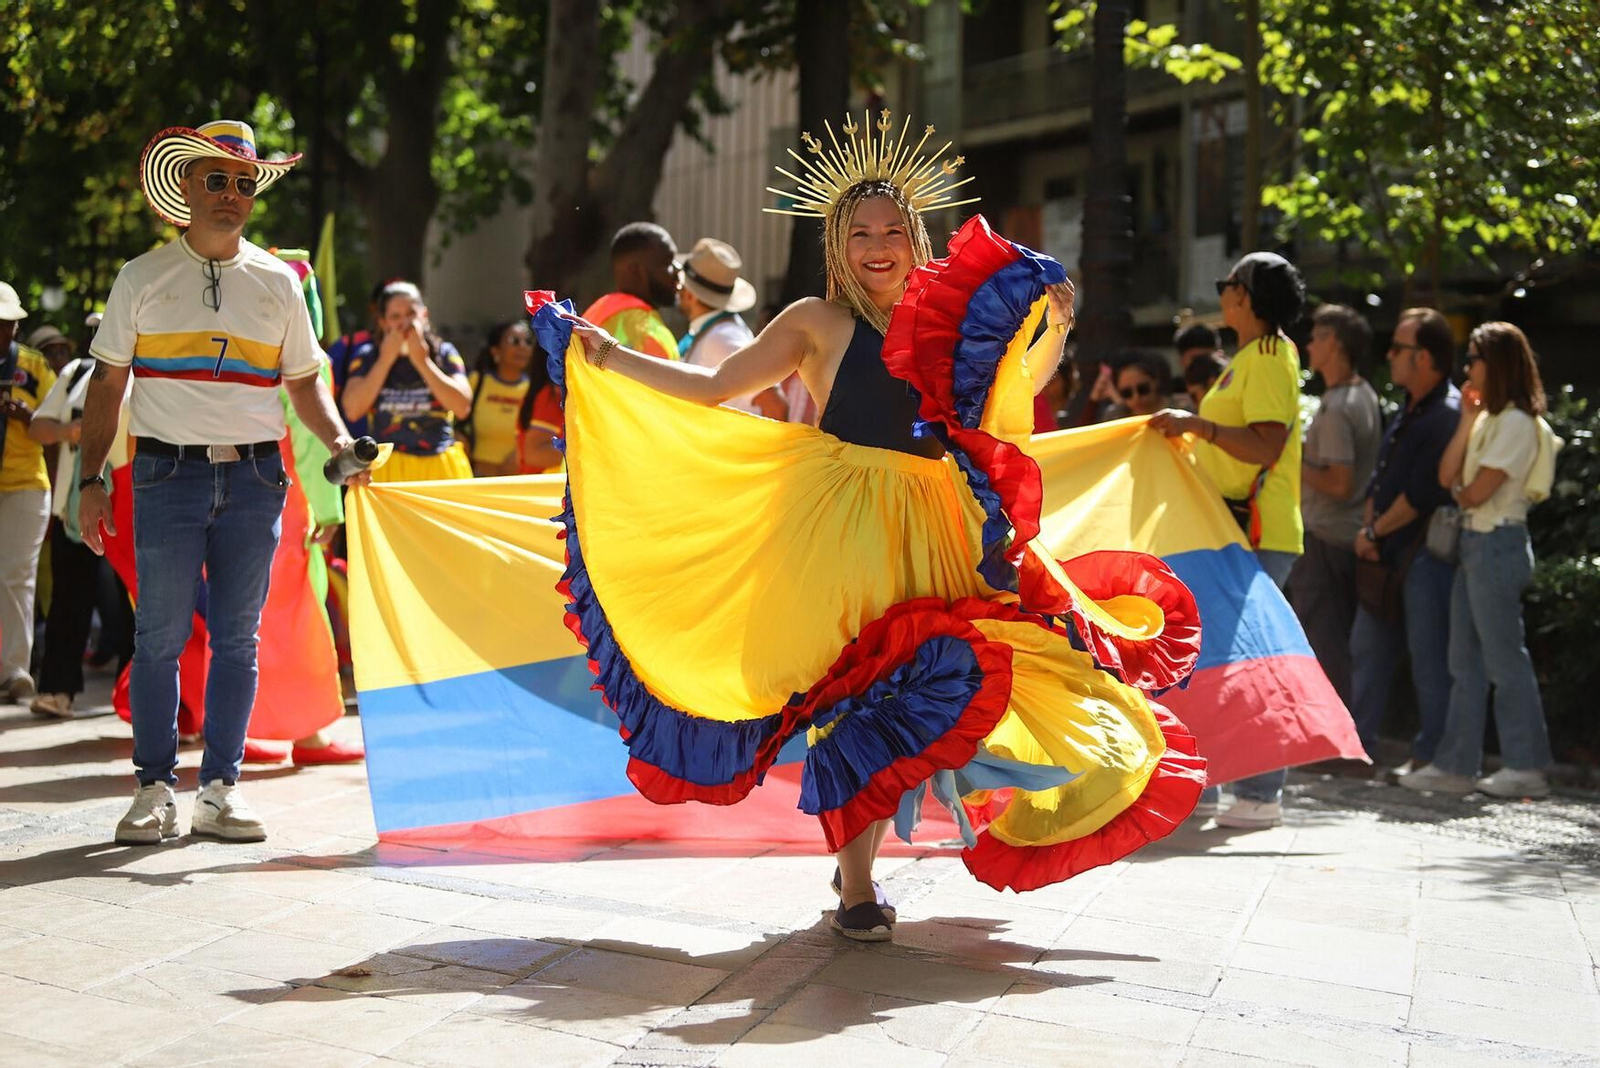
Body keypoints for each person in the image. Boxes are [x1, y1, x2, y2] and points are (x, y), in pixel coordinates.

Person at [549, 111, 1204, 942]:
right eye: (860, 233)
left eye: (893, 230)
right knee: (860, 697)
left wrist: (1059, 326)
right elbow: (715, 388)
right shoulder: (814, 322)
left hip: (934, 526)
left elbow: (1012, 396)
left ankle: (862, 857)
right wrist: (608, 356)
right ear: (837, 244)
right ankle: (858, 884)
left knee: (928, 685)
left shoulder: (950, 325)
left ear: (916, 237)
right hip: (841, 532)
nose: (878, 245)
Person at [76, 119, 370, 846]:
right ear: (184, 186)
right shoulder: (140, 277)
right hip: (164, 473)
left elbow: (305, 383)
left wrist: (341, 444)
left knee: (239, 639)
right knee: (159, 637)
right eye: (217, 179)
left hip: (257, 477)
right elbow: (107, 386)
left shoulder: (278, 282)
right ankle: (153, 790)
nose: (231, 194)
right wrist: (90, 478)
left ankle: (219, 791)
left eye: (245, 183)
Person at [1151, 251, 1307, 830]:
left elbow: (1266, 445)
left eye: (1227, 283)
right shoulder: (1254, 356)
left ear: (1246, 296)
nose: (1221, 292)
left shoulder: (1266, 357)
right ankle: (1217, 783)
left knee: (1245, 659)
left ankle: (1262, 793)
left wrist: (1199, 425)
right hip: (1235, 529)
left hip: (1255, 529)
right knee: (1218, 657)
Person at [1400, 322, 1559, 798]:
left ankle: (1526, 766)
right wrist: (1468, 421)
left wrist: (1460, 489)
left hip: (1497, 543)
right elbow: (1448, 477)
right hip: (1476, 543)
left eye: (1474, 358)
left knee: (1504, 660)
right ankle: (1456, 765)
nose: (1466, 367)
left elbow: (1475, 493)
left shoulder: (1517, 423)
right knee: (1463, 661)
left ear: (1498, 363)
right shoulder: (1489, 418)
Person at [1346, 308, 1460, 774]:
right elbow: (1382, 479)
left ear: (1425, 357)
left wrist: (1373, 532)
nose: (1389, 355)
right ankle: (1357, 748)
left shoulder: (1446, 414)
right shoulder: (1408, 408)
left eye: (1398, 348)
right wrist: (1370, 531)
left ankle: (1432, 755)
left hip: (1423, 558)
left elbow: (1422, 493)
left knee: (1429, 662)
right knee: (1366, 651)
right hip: (1386, 555)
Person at [27, 349, 132, 718]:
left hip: (132, 506)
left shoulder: (151, 369)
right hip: (74, 508)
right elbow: (37, 426)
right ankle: (57, 690)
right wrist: (66, 431)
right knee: (68, 598)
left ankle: (137, 699)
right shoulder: (77, 372)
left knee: (137, 603)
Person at [1287, 304, 1381, 706]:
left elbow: (1340, 484)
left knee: (1323, 647)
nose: (1309, 345)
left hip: (1326, 540)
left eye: (1316, 337)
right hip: (1341, 538)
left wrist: (1290, 459)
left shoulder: (1342, 405)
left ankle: (1333, 735)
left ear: (1335, 344)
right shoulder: (1361, 394)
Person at [341, 281, 474, 482]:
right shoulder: (368, 356)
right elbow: (352, 410)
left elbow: (462, 407)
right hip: (388, 468)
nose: (405, 323)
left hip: (440, 466)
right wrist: (385, 359)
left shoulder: (444, 353)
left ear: (424, 315)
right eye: (395, 317)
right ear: (383, 322)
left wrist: (423, 361)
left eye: (411, 314)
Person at [0, 281, 57, 704]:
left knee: (17, 576)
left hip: (25, 484)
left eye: (8, 323)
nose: (3, 330)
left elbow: (57, 428)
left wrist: (28, 416)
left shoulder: (36, 367)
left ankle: (15, 671)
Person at [675, 238, 785, 418]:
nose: (677, 290)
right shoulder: (717, 333)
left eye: (681, 286)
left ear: (689, 295)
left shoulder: (723, 337)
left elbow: (775, 403)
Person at [581, 223, 681, 362]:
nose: (678, 270)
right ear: (636, 271)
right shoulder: (645, 330)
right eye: (667, 262)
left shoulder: (596, 312)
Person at [465, 321, 534, 476]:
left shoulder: (533, 390)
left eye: (528, 342)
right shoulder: (476, 382)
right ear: (495, 351)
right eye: (514, 341)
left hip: (519, 481)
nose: (522, 347)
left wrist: (521, 453)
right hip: (476, 477)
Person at [1113, 352, 1169, 418]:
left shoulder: (1177, 411)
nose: (1136, 398)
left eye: (1142, 389)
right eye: (1127, 393)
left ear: (1156, 382)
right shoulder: (1115, 416)